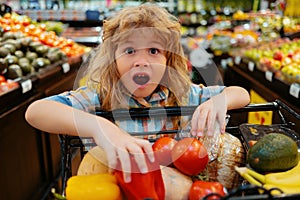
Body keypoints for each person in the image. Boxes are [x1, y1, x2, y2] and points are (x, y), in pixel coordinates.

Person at [25, 4, 250, 183]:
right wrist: (101, 128)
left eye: (154, 50)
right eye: (129, 50)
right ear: (113, 60)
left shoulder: (183, 95)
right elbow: (36, 112)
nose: (141, 62)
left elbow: (241, 93)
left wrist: (220, 101)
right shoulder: (100, 98)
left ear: (168, 60)